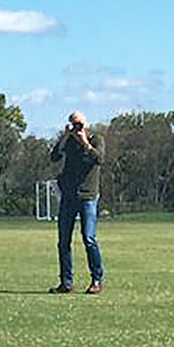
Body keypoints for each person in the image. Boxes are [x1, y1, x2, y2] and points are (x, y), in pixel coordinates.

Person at [48, 111, 105, 295]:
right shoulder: (68, 142)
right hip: (69, 197)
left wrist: (85, 143)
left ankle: (96, 280)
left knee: (89, 238)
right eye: (73, 124)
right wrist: (65, 137)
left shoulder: (96, 139)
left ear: (86, 124)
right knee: (63, 241)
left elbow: (99, 159)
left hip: (88, 196)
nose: (76, 127)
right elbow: (54, 156)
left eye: (79, 123)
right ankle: (66, 282)